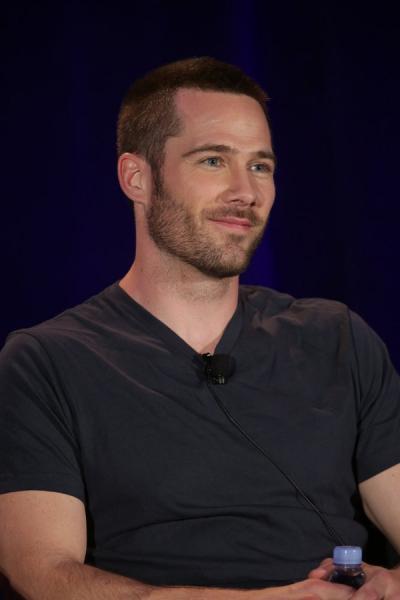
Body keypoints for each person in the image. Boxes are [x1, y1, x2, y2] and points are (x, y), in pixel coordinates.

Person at [0, 57, 399, 600]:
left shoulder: (338, 338)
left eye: (260, 166)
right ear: (137, 178)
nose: (246, 191)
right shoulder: (46, 361)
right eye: (214, 160)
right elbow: (43, 573)